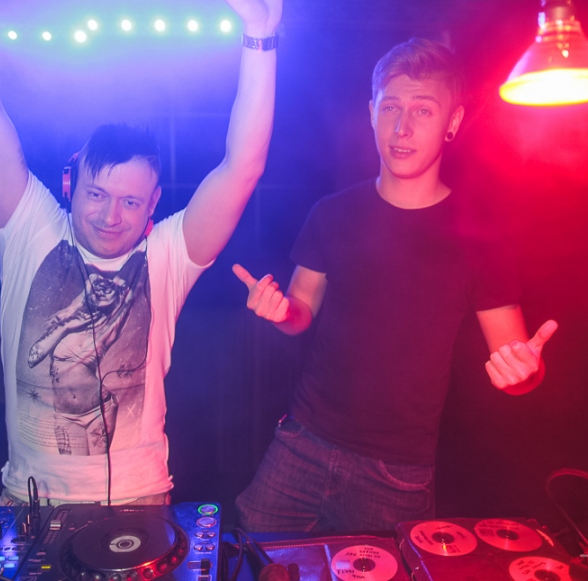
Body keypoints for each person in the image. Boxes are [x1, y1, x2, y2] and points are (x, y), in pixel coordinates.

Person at [0, 0, 281, 505]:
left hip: (138, 500)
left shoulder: (167, 255)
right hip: (26, 502)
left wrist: (260, 35)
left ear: (153, 204)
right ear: (70, 185)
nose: (110, 216)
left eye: (130, 202)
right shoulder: (29, 226)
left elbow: (242, 166)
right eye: (96, 194)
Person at [233, 37, 557, 531]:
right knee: (250, 557)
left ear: (453, 123)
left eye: (423, 111)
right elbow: (301, 314)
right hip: (303, 441)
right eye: (391, 108)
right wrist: (280, 311)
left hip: (396, 472)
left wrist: (526, 373)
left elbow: (516, 361)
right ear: (371, 113)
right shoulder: (332, 213)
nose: (402, 128)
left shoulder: (479, 238)